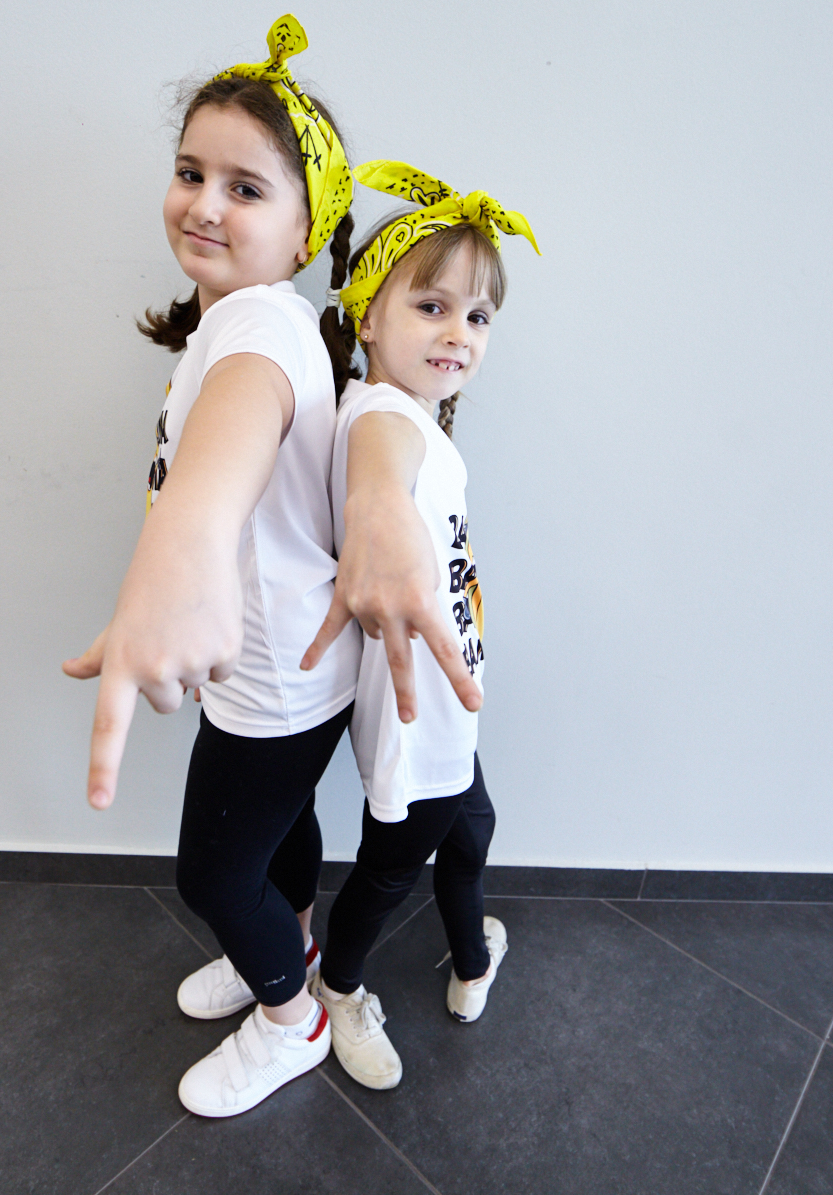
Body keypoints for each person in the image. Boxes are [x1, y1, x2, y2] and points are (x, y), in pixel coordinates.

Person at [61, 19, 478, 1119]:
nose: (204, 203)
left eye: (245, 188)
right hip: (269, 664)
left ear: (305, 232)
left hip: (274, 680)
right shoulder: (230, 326)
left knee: (210, 875)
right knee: (280, 833)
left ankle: (291, 1017)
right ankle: (283, 950)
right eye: (190, 172)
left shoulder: (262, 327)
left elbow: (227, 451)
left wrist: (179, 558)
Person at [300, 161, 539, 1089]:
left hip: (450, 705)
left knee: (471, 829)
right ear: (368, 318)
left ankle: (473, 957)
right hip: (415, 712)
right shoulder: (381, 415)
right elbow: (377, 467)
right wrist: (376, 508)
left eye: (477, 316)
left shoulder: (420, 424)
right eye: (431, 307)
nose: (457, 333)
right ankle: (339, 989)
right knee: (392, 866)